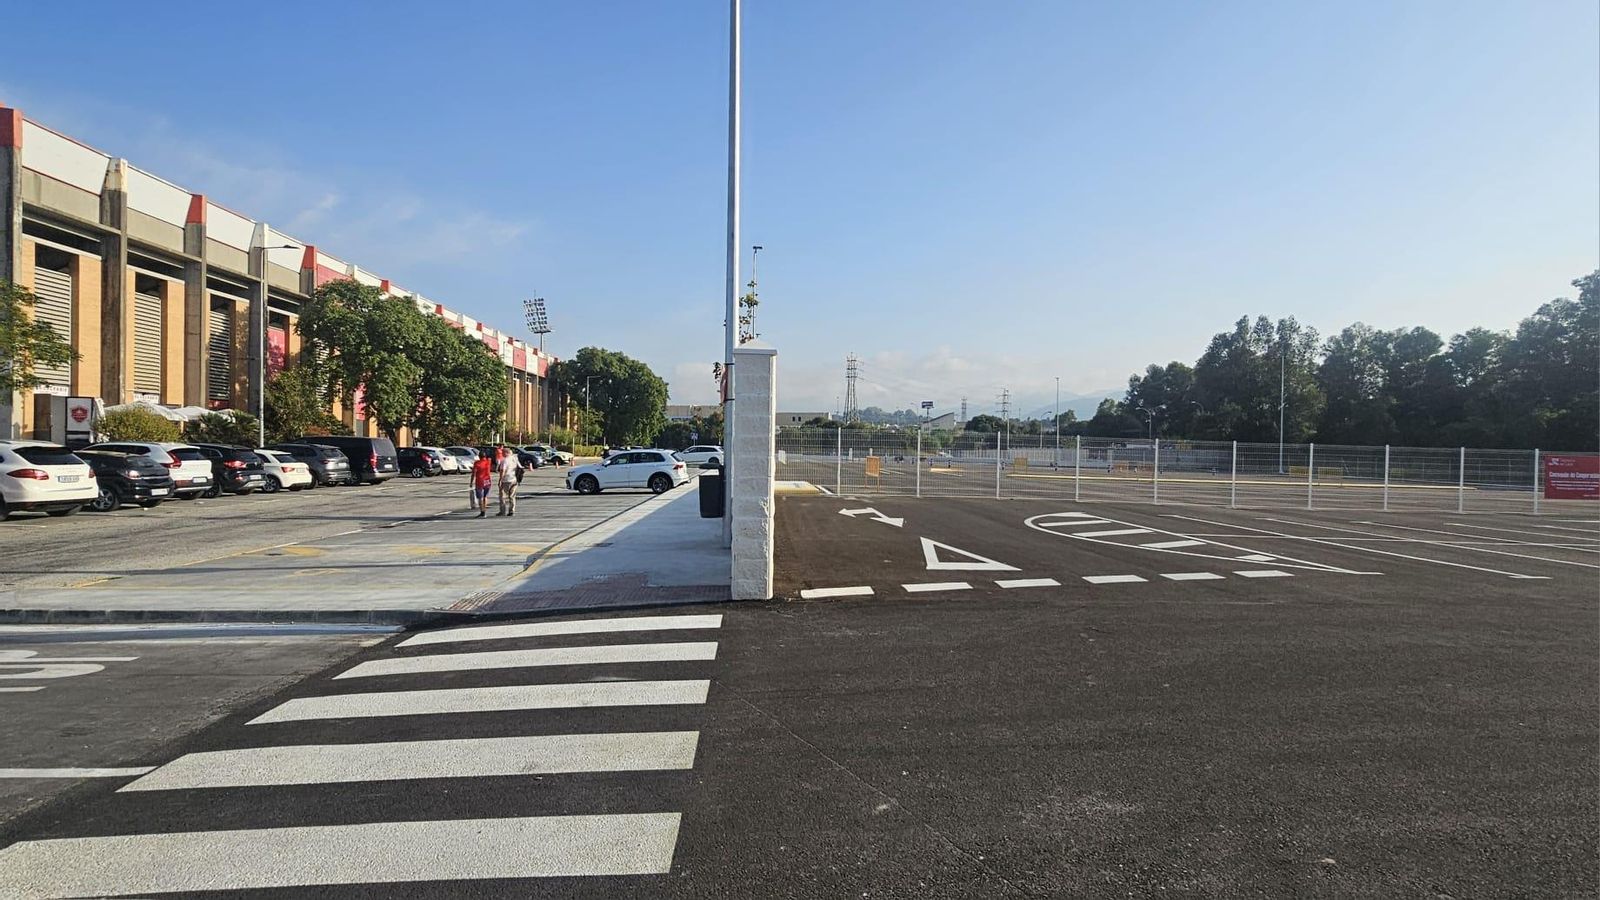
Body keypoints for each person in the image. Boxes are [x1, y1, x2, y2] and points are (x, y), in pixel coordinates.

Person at [496, 445, 520, 517]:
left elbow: (502, 471)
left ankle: (502, 511)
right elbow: (520, 468)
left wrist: (500, 480)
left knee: (502, 496)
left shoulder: (505, 460)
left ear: (506, 453)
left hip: (506, 480)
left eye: (503, 452)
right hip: (514, 479)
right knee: (512, 496)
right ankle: (511, 511)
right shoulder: (514, 459)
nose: (502, 454)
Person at [470, 450, 494, 518]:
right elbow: (490, 458)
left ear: (479, 456)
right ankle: (484, 510)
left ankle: (482, 511)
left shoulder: (477, 463)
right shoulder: (488, 462)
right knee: (485, 497)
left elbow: (473, 473)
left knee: (480, 497)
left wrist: (471, 482)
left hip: (479, 481)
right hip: (487, 480)